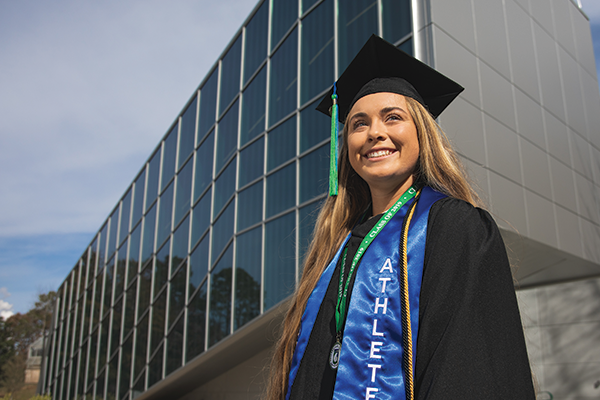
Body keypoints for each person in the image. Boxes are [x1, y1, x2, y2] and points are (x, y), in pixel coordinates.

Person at [266, 35, 535, 400]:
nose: (375, 132)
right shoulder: (336, 246)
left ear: (422, 133)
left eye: (392, 117)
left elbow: (469, 367)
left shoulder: (454, 227)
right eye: (358, 124)